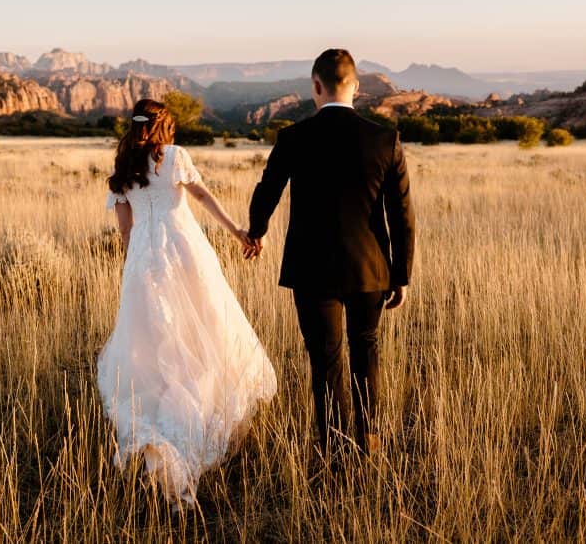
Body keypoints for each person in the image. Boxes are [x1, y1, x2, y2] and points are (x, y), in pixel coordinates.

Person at [98, 98, 277, 507]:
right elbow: (202, 196)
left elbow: (126, 234)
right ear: (164, 126)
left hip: (145, 262)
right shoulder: (176, 157)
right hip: (185, 253)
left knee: (155, 341)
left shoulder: (122, 170)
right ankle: (191, 420)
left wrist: (135, 270)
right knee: (204, 332)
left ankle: (164, 428)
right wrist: (238, 232)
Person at [246, 48, 415, 457]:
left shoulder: (293, 138)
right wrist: (401, 274)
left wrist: (256, 232)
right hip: (371, 269)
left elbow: (266, 193)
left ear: (316, 86)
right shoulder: (385, 139)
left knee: (325, 361)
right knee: (366, 348)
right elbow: (403, 215)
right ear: (356, 88)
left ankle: (334, 448)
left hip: (312, 269)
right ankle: (370, 437)